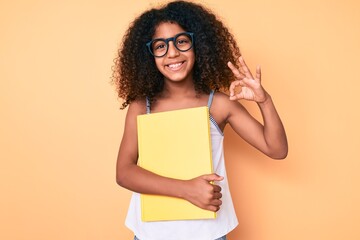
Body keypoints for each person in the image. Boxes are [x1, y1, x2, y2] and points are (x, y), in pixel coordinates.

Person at [112, 1, 288, 239]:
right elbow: (124, 173)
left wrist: (264, 100)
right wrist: (186, 190)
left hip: (208, 233)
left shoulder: (219, 104)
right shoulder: (142, 107)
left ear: (199, 45)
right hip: (151, 233)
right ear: (149, 55)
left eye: (181, 41)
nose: (172, 53)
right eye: (160, 46)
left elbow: (276, 149)